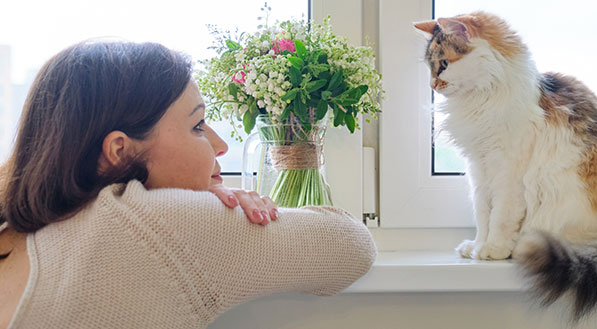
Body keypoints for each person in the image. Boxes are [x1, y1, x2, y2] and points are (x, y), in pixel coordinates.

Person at [0, 41, 376, 328]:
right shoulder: (154, 223)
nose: (220, 145)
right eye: (197, 126)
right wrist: (215, 206)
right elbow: (352, 244)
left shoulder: (15, 230)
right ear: (120, 151)